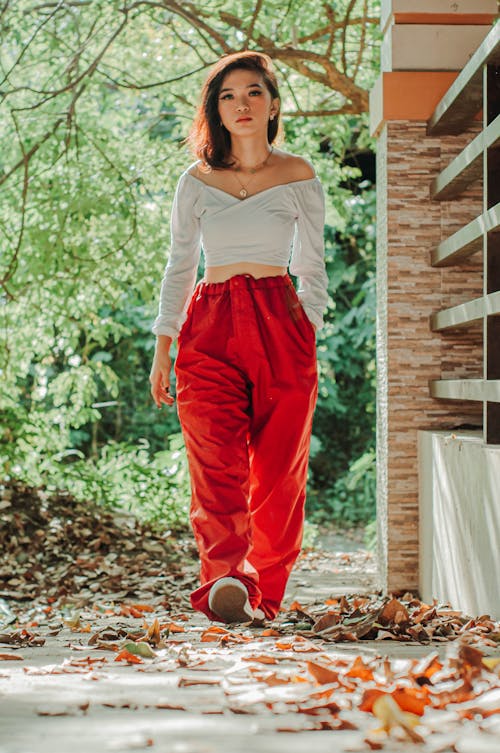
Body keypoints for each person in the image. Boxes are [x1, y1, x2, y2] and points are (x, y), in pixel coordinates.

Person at [149, 50, 328, 625]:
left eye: (253, 92)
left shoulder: (297, 174)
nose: (241, 104)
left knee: (279, 473)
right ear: (216, 110)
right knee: (215, 464)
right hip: (211, 325)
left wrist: (308, 325)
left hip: (281, 321)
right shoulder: (196, 181)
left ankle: (264, 591)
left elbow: (313, 265)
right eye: (228, 96)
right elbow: (179, 265)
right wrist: (163, 345)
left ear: (272, 105)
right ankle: (226, 580)